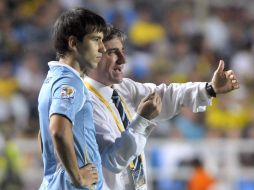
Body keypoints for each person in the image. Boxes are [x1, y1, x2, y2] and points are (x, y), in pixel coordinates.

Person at [84, 25, 240, 190]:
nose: (123, 59)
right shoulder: (84, 103)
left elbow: (165, 95)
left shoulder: (123, 88)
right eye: (112, 52)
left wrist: (209, 88)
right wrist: (142, 121)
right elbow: (113, 161)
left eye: (123, 51)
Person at [37, 8, 107, 190]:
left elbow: (42, 134)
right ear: (74, 43)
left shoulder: (53, 78)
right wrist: (76, 177)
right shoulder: (69, 82)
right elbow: (58, 130)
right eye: (95, 39)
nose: (103, 48)